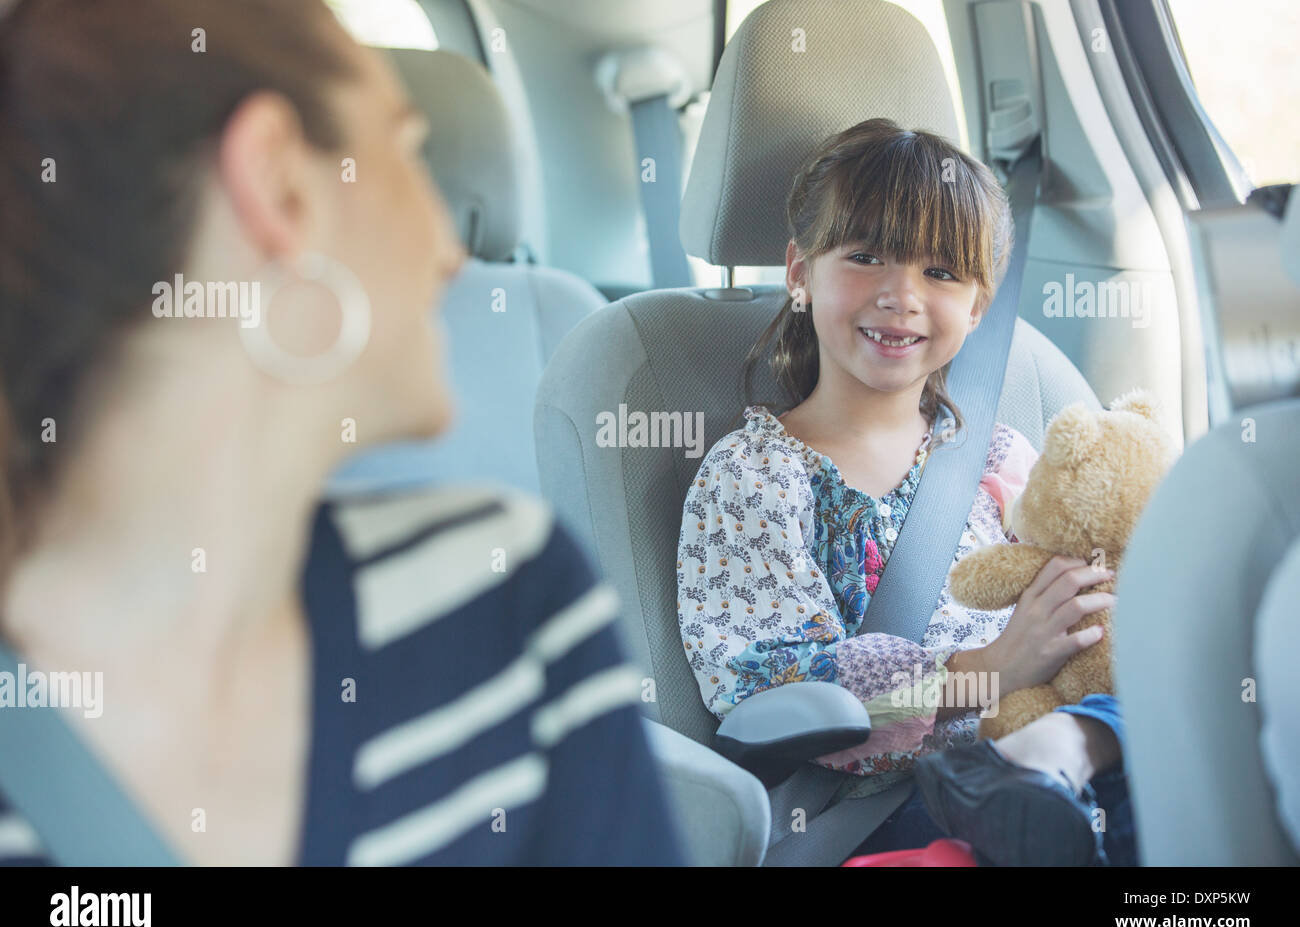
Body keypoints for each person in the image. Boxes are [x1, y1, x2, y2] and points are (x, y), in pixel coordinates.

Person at [0, 0, 682, 866]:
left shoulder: (513, 601)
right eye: (405, 152)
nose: (448, 248)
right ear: (280, 186)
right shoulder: (500, 607)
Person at [676, 118, 1134, 866]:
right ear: (800, 272)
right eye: (866, 257)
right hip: (883, 810)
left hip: (1055, 756)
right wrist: (991, 671)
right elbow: (788, 704)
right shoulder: (754, 478)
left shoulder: (1002, 458)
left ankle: (1060, 751)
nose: (901, 295)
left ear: (979, 306)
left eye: (942, 273)